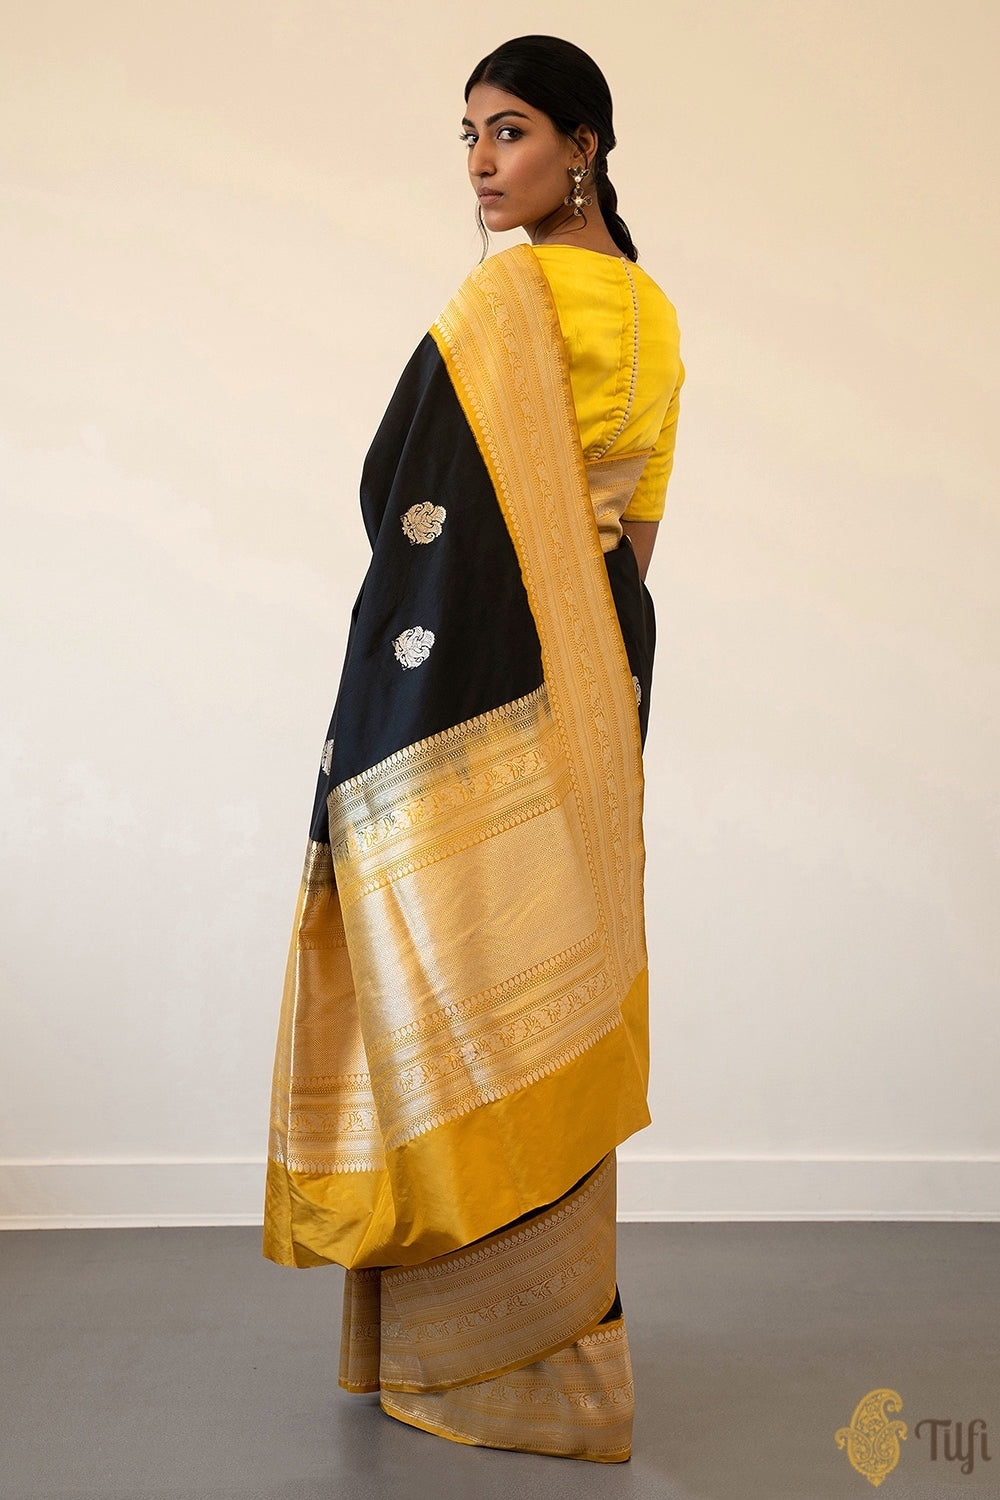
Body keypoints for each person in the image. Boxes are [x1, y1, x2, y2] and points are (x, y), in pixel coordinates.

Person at [263, 34, 684, 1464]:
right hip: (598, 682)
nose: (482, 165)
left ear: (583, 145)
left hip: (483, 689)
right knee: (556, 975)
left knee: (470, 976)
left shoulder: (510, 299)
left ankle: (478, 1359)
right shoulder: (656, 313)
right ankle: (560, 1355)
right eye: (469, 136)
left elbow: (400, 490)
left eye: (509, 132)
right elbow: (631, 539)